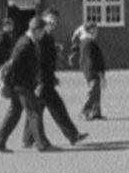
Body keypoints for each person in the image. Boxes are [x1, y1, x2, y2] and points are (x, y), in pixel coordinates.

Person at [0, 17, 55, 153]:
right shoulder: (25, 44)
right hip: (21, 84)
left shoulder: (28, 42)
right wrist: (3, 81)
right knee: (34, 111)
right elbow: (11, 64)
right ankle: (41, 144)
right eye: (42, 31)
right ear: (36, 30)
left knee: (14, 113)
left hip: (22, 83)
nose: (43, 34)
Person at [24, 9, 87, 146]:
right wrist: (40, 81)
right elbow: (39, 60)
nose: (53, 22)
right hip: (42, 81)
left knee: (36, 109)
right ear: (43, 19)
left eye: (55, 20)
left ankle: (27, 139)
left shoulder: (47, 36)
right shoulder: (41, 37)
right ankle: (72, 135)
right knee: (57, 108)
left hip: (45, 79)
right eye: (50, 19)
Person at [79, 22, 107, 120]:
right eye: (94, 29)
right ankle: (84, 111)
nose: (96, 31)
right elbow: (90, 59)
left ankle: (96, 112)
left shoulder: (89, 41)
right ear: (90, 30)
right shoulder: (88, 42)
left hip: (93, 70)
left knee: (97, 92)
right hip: (92, 70)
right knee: (93, 92)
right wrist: (98, 72)